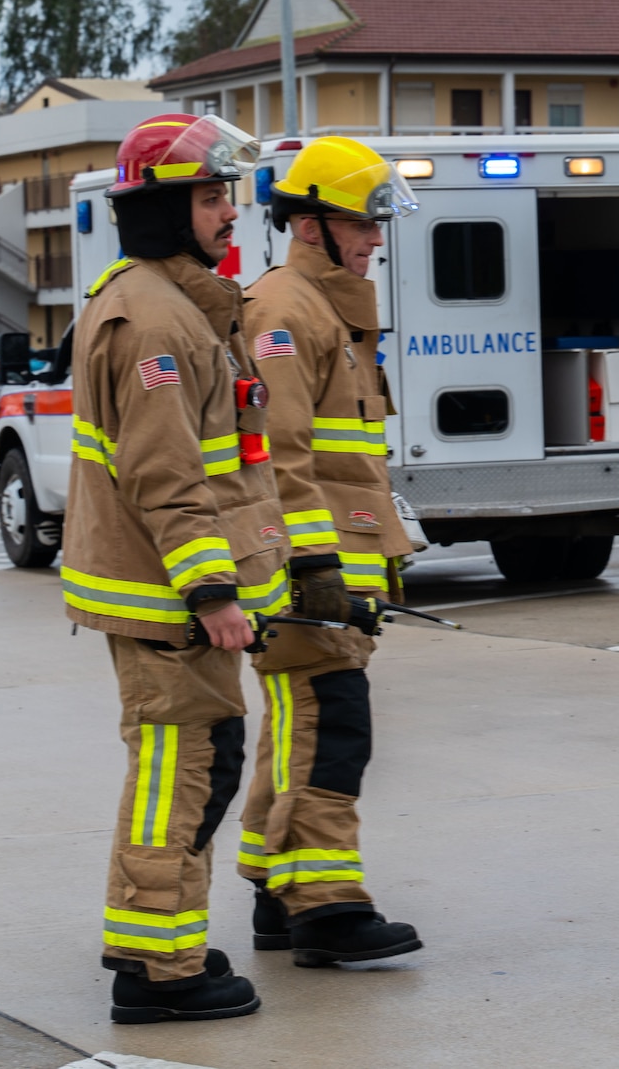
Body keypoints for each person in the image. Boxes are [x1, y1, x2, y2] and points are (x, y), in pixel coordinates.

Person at [61, 114, 288, 1024]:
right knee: (179, 769)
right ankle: (161, 971)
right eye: (208, 197)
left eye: (226, 194)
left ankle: (153, 939)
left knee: (200, 760)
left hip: (173, 598)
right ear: (160, 211)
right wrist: (213, 590)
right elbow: (165, 472)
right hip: (168, 601)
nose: (228, 213)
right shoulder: (153, 319)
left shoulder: (174, 302)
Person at [235, 136, 424, 967]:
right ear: (310, 225)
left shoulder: (332, 313)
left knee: (301, 727)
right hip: (309, 578)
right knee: (329, 727)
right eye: (364, 222)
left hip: (336, 574)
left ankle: (279, 890)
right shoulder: (286, 310)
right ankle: (327, 907)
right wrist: (309, 568)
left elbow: (349, 464)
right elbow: (279, 458)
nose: (375, 238)